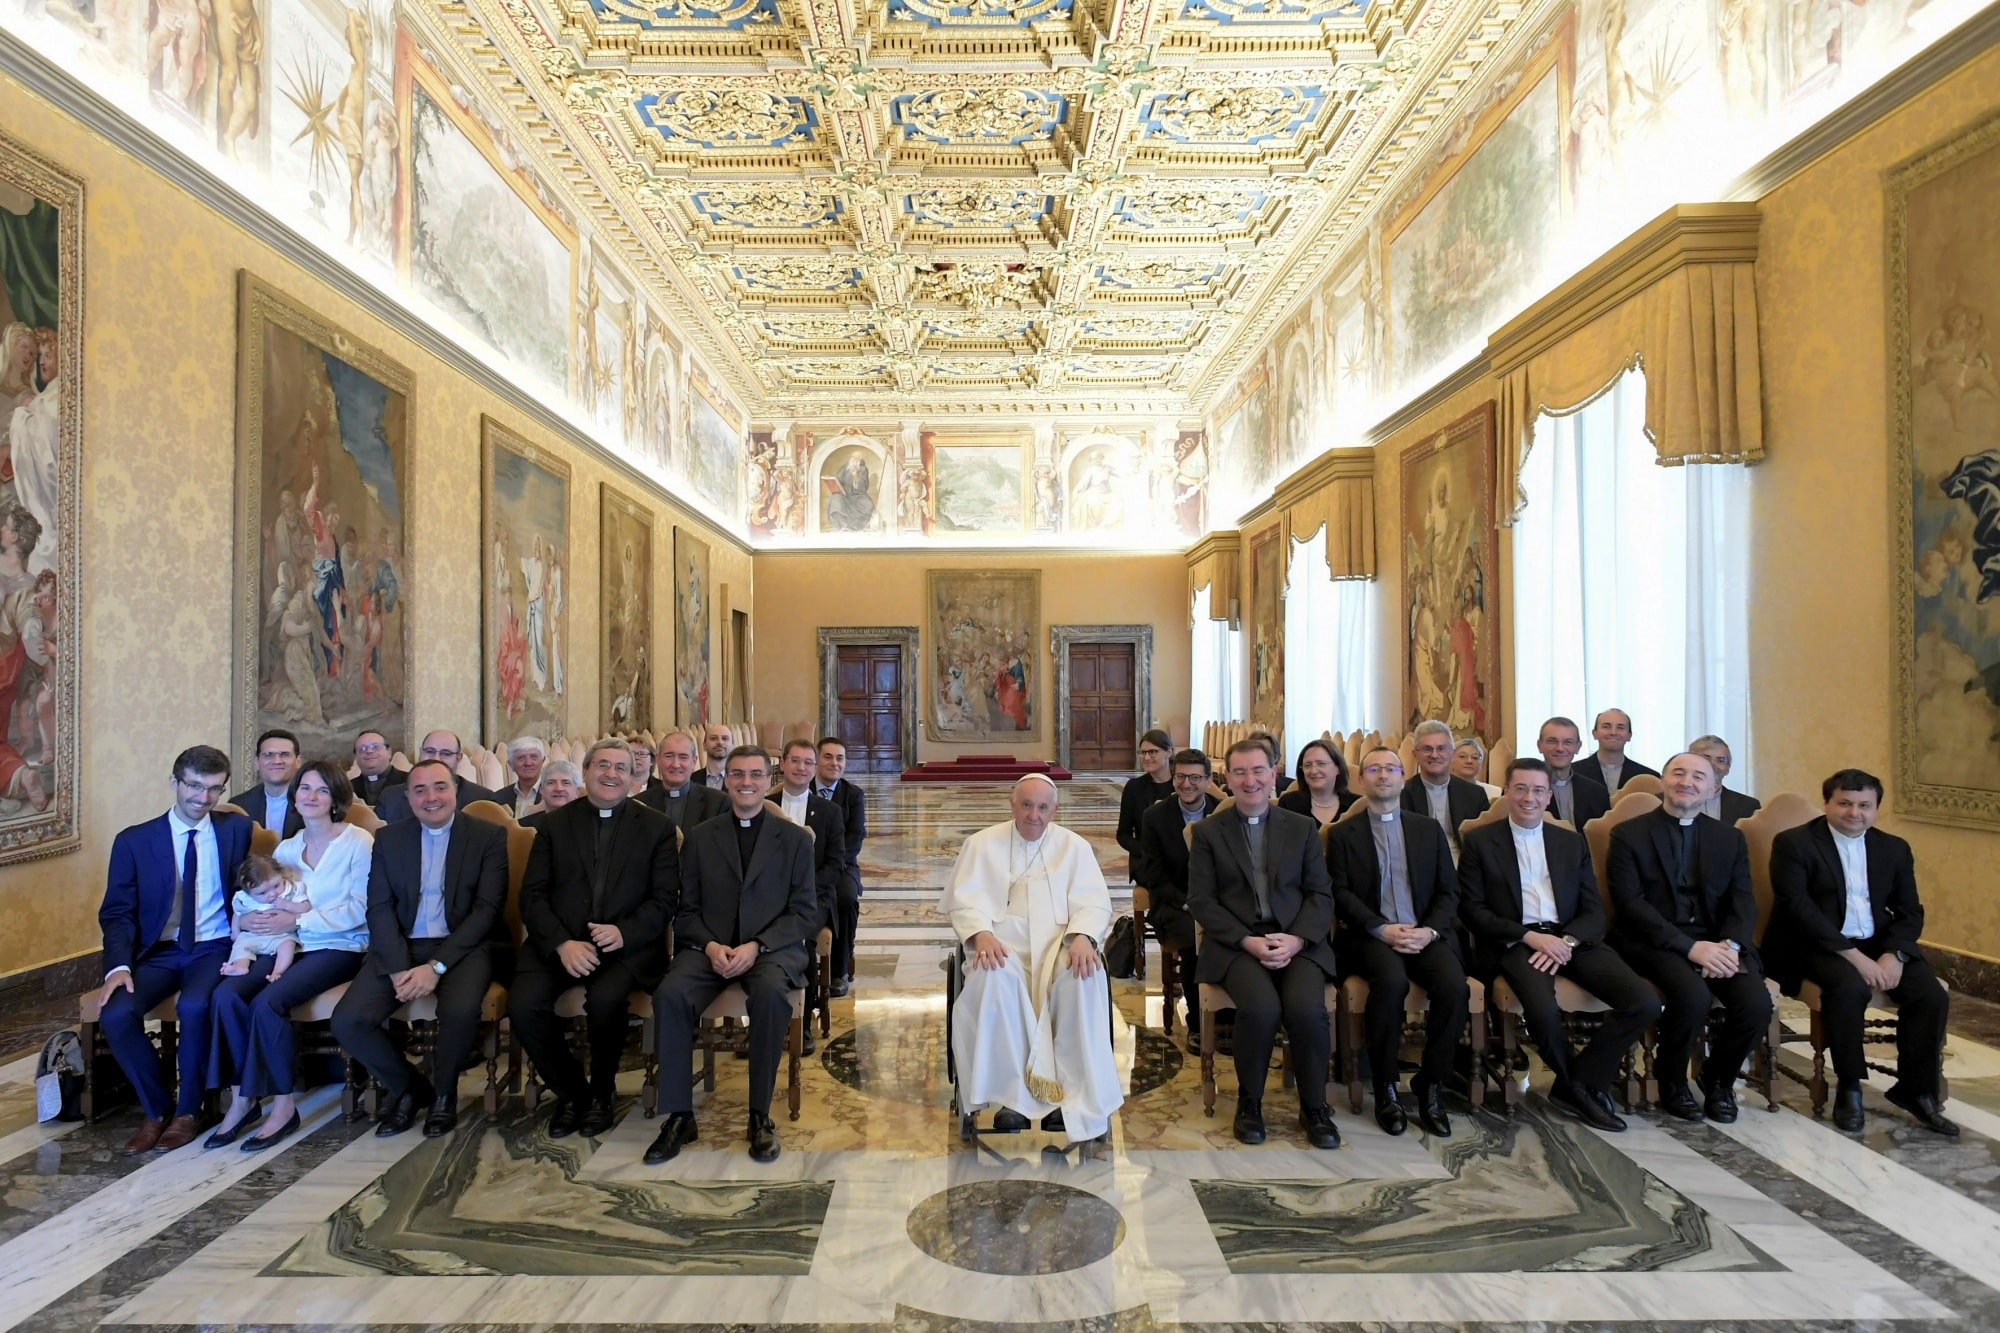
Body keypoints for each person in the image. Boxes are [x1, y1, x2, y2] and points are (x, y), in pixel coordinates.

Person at [1460, 759, 1660, 1133]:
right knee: (1542, 1010)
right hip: (1518, 941)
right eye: (1520, 788)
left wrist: (1566, 941)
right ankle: (1581, 1094)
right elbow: (1473, 910)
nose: (1529, 798)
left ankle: (1577, 1082)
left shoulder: (1570, 842)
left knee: (1643, 1002)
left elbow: (1592, 908)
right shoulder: (1480, 842)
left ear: (1549, 796)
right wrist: (1529, 936)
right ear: (1507, 792)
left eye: (1538, 790)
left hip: (1570, 939)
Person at [646, 746, 819, 1166]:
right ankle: (679, 1116)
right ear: (725, 779)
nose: (746, 782)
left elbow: (803, 914)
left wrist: (755, 946)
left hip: (770, 951)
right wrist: (709, 946)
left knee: (770, 997)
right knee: (669, 995)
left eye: (755, 775)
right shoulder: (702, 837)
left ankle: (759, 1116)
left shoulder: (795, 840)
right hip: (708, 948)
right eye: (737, 774)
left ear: (768, 780)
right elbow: (685, 912)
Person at [1765, 769, 1955, 1136]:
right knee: (1849, 989)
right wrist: (1854, 957)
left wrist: (1896, 954)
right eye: (1845, 803)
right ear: (1827, 804)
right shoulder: (1794, 844)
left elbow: (1909, 911)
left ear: (1876, 808)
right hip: (1813, 942)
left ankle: (1915, 1090)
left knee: (1929, 995)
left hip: (1878, 942)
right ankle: (1849, 1087)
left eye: (1865, 805)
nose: (1855, 813)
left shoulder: (1893, 848)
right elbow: (1797, 909)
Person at [942, 774, 1124, 1148]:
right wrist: (981, 934)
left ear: (1055, 810)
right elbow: (964, 902)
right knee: (995, 980)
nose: (1034, 815)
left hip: (1059, 943)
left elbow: (1093, 902)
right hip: (1000, 944)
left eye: (1043, 807)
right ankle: (1011, 1098)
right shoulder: (981, 844)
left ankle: (1073, 1098)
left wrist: (1083, 937)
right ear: (1012, 804)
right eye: (1026, 805)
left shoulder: (1074, 847)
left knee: (1082, 979)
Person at [331, 759, 509, 1138]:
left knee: (459, 1011)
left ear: (456, 791)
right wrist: (397, 967)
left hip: (463, 946)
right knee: (349, 1020)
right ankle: (411, 1089)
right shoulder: (390, 839)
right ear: (408, 797)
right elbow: (378, 907)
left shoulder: (487, 837)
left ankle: (444, 1096)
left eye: (440, 787)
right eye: (420, 790)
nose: (432, 797)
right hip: (400, 947)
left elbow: (486, 912)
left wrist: (437, 966)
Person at [511, 739, 679, 1138]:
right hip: (559, 944)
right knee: (523, 1005)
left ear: (633, 776)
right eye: (602, 765)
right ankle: (572, 1093)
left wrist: (624, 932)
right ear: (585, 772)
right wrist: (561, 944)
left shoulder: (656, 828)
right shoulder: (552, 825)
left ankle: (602, 1093)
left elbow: (664, 900)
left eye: (621, 767)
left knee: (605, 1001)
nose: (611, 774)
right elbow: (532, 895)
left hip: (625, 948)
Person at [98, 744, 256, 1154]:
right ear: (175, 782)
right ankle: (156, 1109)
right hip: (159, 950)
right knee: (116, 1013)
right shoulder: (134, 841)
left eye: (214, 789)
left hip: (214, 945)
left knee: (195, 1006)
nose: (202, 799)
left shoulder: (236, 830)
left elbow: (249, 889)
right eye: (194, 786)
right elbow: (117, 912)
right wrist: (117, 965)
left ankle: (189, 1111)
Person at [206, 761, 373, 1151]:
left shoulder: (358, 842)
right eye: (304, 789)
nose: (311, 796)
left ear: (336, 799)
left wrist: (298, 920)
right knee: (225, 995)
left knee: (268, 1002)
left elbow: (362, 908)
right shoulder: (287, 848)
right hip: (291, 944)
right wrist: (249, 918)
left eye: (321, 790)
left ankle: (283, 1106)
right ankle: (242, 1099)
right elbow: (261, 900)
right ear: (294, 796)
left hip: (339, 945)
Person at [1188, 738, 1340, 1149]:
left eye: (1259, 771)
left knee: (1307, 1011)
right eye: (1240, 772)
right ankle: (1249, 1104)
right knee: (1260, 1008)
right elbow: (1202, 900)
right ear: (1228, 778)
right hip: (1237, 945)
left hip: (1297, 942)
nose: (1250, 780)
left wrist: (1296, 939)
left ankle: (1315, 1108)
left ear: (1274, 774)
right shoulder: (1208, 833)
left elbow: (1320, 895)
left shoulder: (1302, 828)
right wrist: (1247, 941)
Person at [1606, 751, 1771, 1123]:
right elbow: (1631, 905)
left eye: (1698, 777)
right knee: (1692, 995)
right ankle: (1672, 1080)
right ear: (1663, 781)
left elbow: (1743, 900)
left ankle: (1719, 1080)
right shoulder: (1629, 834)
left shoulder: (1729, 839)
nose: (1687, 782)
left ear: (1713, 789)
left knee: (1756, 1003)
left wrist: (1730, 945)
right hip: (1653, 940)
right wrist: (1691, 948)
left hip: (1717, 941)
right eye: (1678, 773)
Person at [1327, 746, 1466, 1136]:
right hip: (1370, 936)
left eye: (1391, 769)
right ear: (1361, 780)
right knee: (1390, 982)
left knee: (1454, 986)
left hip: (1424, 933)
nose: (1383, 775)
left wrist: (1430, 930)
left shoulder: (1428, 830)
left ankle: (1431, 1084)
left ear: (1404, 778)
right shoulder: (1343, 834)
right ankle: (1386, 1085)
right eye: (1374, 769)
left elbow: (1448, 891)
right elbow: (1340, 892)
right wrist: (1380, 928)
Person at [1133, 747, 1219, 1038]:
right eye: (1180, 776)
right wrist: (1188, 904)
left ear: (1208, 780)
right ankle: (1198, 1024)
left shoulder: (1222, 812)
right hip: (1174, 903)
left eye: (1195, 778)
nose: (1187, 784)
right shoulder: (1155, 816)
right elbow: (1154, 875)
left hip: (1217, 903)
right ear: (1173, 778)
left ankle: (1227, 1016)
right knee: (1195, 944)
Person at [772, 739, 850, 1049]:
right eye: (795, 761)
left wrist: (803, 891)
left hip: (813, 899)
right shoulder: (766, 804)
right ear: (783, 764)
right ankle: (765, 1019)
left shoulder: (829, 812)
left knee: (801, 941)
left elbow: (835, 864)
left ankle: (799, 1024)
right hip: (769, 897)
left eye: (807, 762)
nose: (801, 767)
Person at [814, 737, 867, 995]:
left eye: (840, 758)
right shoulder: (803, 790)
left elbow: (855, 837)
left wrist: (833, 865)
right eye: (828, 757)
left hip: (843, 866)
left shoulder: (853, 795)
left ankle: (839, 970)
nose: (834, 763)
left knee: (844, 898)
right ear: (817, 760)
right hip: (807, 867)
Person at [1400, 720, 1489, 864]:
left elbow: (1485, 844)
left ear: (1452, 753)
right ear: (1415, 754)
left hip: (1464, 865)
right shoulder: (1402, 794)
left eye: (1441, 748)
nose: (1435, 755)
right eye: (1427, 749)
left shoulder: (1475, 795)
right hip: (1420, 866)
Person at [375, 731, 502, 822]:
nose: (436, 759)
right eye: (429, 752)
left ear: (458, 758)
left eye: (445, 754)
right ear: (420, 753)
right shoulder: (390, 798)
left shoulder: (482, 799)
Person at [220, 857, 308, 980]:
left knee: (288, 945)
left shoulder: (291, 890)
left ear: (281, 875)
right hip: (253, 936)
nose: (272, 894)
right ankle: (240, 966)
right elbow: (238, 913)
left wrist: (288, 905)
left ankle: (277, 971)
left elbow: (305, 907)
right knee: (240, 944)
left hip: (281, 936)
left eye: (276, 885)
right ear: (249, 892)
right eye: (262, 893)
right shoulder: (245, 899)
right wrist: (235, 931)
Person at [643, 729, 729, 830]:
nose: (675, 765)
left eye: (683, 757)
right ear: (658, 759)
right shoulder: (639, 804)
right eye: (669, 756)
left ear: (694, 761)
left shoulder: (718, 803)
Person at [1537, 717, 1611, 828]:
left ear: (1578, 747)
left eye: (1568, 742)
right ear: (1540, 745)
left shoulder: (1597, 792)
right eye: (1552, 741)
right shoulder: (1523, 789)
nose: (1560, 748)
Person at [1116, 729, 1176, 865]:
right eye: (1143, 753)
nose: (1147, 758)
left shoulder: (1182, 785)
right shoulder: (1134, 788)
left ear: (1169, 752)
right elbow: (1123, 835)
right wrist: (1147, 853)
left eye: (1153, 752)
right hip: (1146, 862)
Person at [229, 728, 304, 837]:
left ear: (298, 761)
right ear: (257, 762)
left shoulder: (313, 802)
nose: (277, 761)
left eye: (285, 754)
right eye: (268, 754)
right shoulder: (239, 805)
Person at [1575, 709, 1660, 794]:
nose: (1613, 732)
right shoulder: (1573, 772)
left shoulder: (1649, 777)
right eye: (1606, 726)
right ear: (1594, 733)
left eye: (1620, 727)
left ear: (1629, 736)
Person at [1688, 735, 1762, 827]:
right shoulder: (1673, 799)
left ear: (1727, 769)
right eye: (1706, 758)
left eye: (1721, 760)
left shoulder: (1748, 806)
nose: (1713, 764)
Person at [1279, 738, 1355, 823]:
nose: (1314, 771)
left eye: (1321, 764)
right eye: (1307, 765)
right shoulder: (1288, 804)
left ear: (1338, 768)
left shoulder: (1356, 805)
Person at [521, 759, 581, 831]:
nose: (558, 788)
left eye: (566, 783)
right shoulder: (522, 828)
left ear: (577, 792)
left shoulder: (591, 826)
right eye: (551, 783)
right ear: (542, 791)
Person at [350, 730, 403, 806]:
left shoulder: (409, 781)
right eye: (362, 748)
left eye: (375, 747)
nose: (369, 751)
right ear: (356, 756)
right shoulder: (347, 788)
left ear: (389, 752)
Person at [505, 737, 547, 819]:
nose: (528, 763)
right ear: (510, 764)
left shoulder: (554, 795)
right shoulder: (499, 798)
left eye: (533, 757)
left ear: (542, 761)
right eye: (521, 758)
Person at [698, 724, 733, 788]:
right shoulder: (691, 780)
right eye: (713, 738)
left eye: (725, 738)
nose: (720, 742)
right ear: (704, 745)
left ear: (732, 746)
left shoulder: (740, 779)